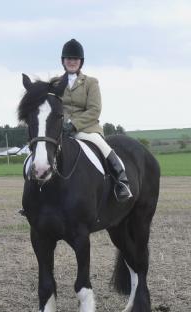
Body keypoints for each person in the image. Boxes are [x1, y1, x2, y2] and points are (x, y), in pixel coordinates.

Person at [60, 39, 132, 202]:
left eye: (75, 59)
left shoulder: (91, 83)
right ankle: (34, 194)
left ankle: (121, 180)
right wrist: (61, 125)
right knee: (39, 151)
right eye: (68, 58)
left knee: (102, 146)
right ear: (63, 61)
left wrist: (73, 125)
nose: (72, 61)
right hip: (61, 130)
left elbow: (94, 110)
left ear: (81, 62)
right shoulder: (55, 83)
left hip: (86, 129)